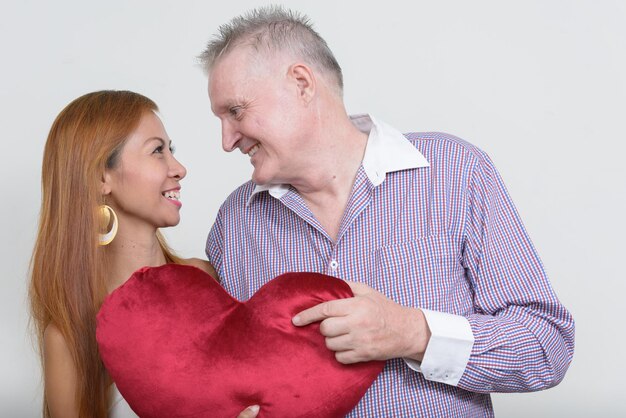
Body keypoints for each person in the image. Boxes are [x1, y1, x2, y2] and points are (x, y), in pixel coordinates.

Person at [199, 6, 575, 417]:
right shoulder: (233, 225)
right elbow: (230, 377)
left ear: (302, 83)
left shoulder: (455, 171)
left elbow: (548, 345)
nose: (227, 140)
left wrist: (411, 333)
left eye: (235, 111)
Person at [29, 91, 260, 418]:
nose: (179, 169)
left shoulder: (207, 281)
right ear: (101, 177)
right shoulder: (70, 335)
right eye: (157, 151)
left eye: (172, 150)